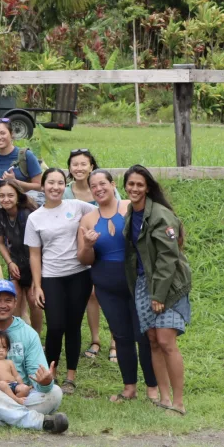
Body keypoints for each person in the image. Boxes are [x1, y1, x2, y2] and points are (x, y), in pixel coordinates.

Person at [77, 170, 158, 404]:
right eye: (93, 186)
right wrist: (88, 246)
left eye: (102, 183)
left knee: (144, 335)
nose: (98, 189)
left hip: (136, 283)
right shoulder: (88, 219)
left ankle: (152, 388)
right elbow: (84, 259)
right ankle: (129, 388)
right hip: (106, 286)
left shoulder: (130, 207)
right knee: (121, 337)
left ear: (113, 184)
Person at [123, 165, 191, 416]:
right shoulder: (132, 212)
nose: (135, 189)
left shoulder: (160, 215)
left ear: (148, 188)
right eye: (131, 184)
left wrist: (159, 295)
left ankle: (179, 402)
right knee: (152, 340)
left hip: (168, 284)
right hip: (143, 282)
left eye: (140, 185)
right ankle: (163, 398)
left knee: (165, 340)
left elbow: (167, 258)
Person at [0, 279, 68, 433]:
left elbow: (36, 373)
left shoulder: (28, 333)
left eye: (8, 300)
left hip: (22, 393)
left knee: (55, 392)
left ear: (16, 302)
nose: (3, 305)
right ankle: (39, 422)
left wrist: (45, 382)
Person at [26, 167, 96, 394]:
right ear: (42, 186)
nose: (55, 187)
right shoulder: (34, 218)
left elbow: (103, 211)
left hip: (79, 274)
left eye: (59, 183)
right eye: (50, 183)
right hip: (51, 277)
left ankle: (71, 377)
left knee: (73, 326)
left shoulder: (77, 206)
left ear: (64, 186)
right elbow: (34, 254)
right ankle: (51, 373)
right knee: (55, 326)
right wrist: (37, 285)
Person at [64, 148, 119, 361]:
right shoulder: (66, 192)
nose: (79, 168)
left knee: (110, 294)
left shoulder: (102, 188)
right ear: (69, 168)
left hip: (107, 249)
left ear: (91, 166)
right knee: (92, 295)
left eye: (83, 164)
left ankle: (116, 342)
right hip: (80, 248)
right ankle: (95, 340)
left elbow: (118, 213)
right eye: (74, 164)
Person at [0, 181, 42, 332]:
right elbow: (0, 243)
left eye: (10, 195)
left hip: (34, 260)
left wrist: (35, 273)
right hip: (16, 261)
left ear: (18, 197)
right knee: (15, 298)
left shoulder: (28, 214)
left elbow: (37, 245)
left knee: (34, 300)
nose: (6, 199)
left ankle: (36, 338)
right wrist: (10, 262)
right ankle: (18, 334)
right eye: (2, 196)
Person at [0, 118, 43, 199]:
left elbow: (39, 187)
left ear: (11, 134)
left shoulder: (26, 156)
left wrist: (15, 182)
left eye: (3, 133)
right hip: (1, 208)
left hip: (24, 208)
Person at [0, 330, 33, 403]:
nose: (1, 350)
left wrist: (22, 384)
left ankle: (14, 403)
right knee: (2, 384)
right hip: (0, 387)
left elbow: (17, 376)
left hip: (13, 384)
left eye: (4, 347)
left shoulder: (9, 362)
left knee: (25, 388)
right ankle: (16, 400)